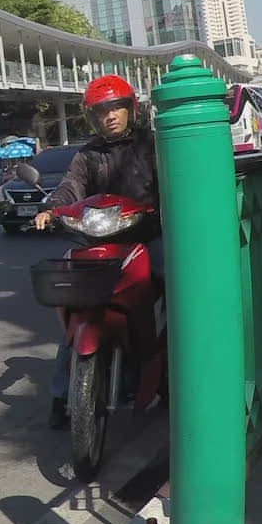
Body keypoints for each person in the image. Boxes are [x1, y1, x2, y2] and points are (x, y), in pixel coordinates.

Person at [32, 74, 162, 429]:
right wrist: (51, 210)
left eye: (116, 108)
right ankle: (62, 395)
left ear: (130, 109)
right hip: (100, 243)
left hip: (146, 236)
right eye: (102, 111)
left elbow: (173, 181)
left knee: (183, 287)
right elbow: (70, 187)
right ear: (93, 117)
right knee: (76, 312)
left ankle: (180, 371)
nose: (110, 116)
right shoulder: (87, 155)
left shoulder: (151, 146)